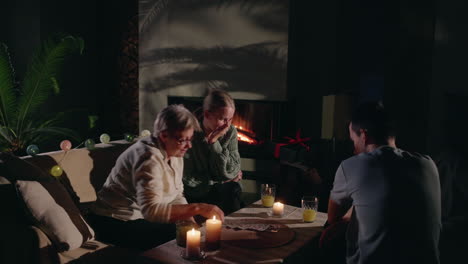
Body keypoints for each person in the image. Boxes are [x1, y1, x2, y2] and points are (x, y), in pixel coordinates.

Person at [88, 104, 224, 250]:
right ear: (164, 136)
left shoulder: (175, 151)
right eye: (183, 140)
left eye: (190, 139)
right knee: (175, 235)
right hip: (115, 222)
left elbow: (176, 194)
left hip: (142, 218)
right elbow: (151, 211)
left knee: (190, 232)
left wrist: (189, 221)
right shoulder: (147, 158)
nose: (188, 146)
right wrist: (197, 208)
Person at [327, 102, 441, 264]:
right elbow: (391, 199)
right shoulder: (428, 164)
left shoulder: (352, 166)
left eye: (353, 141)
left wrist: (346, 219)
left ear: (364, 136)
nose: (353, 149)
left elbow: (333, 218)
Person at [183, 89, 243, 214]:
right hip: (196, 192)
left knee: (233, 189)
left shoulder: (230, 131)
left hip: (221, 190)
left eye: (230, 119)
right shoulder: (188, 133)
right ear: (207, 115)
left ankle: (232, 230)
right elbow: (187, 179)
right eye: (222, 119)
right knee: (228, 189)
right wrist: (220, 180)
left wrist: (214, 143)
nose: (227, 125)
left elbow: (233, 169)